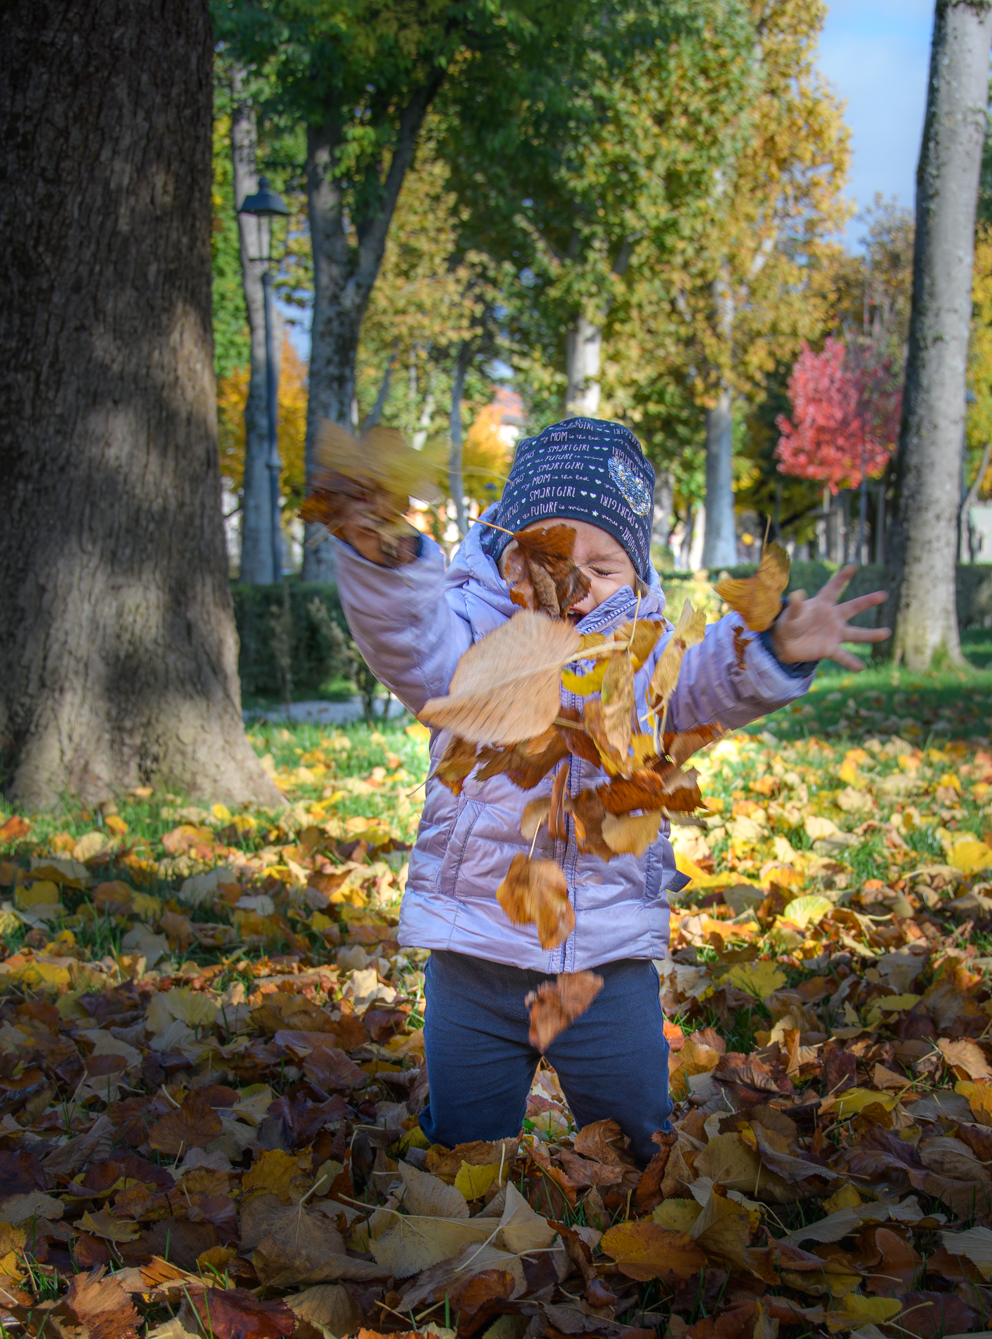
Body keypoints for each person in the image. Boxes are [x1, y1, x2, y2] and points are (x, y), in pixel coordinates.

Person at [330, 418, 889, 1159]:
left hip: (604, 965)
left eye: (604, 564)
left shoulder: (648, 654)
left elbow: (703, 686)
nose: (575, 582)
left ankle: (638, 1215)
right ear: (505, 554)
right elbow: (409, 642)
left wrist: (775, 648)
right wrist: (388, 561)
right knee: (465, 1140)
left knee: (637, 1134)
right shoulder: (469, 638)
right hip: (474, 956)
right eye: (550, 553)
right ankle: (463, 1228)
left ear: (635, 575)